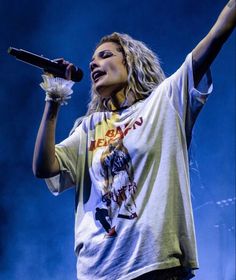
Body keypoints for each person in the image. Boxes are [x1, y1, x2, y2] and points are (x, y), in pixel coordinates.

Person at [32, 1, 235, 279]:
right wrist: (53, 97)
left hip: (152, 266)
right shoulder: (89, 128)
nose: (94, 64)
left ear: (130, 60)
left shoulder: (164, 102)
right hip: (97, 271)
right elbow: (44, 168)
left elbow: (217, 35)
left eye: (105, 56)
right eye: (92, 61)